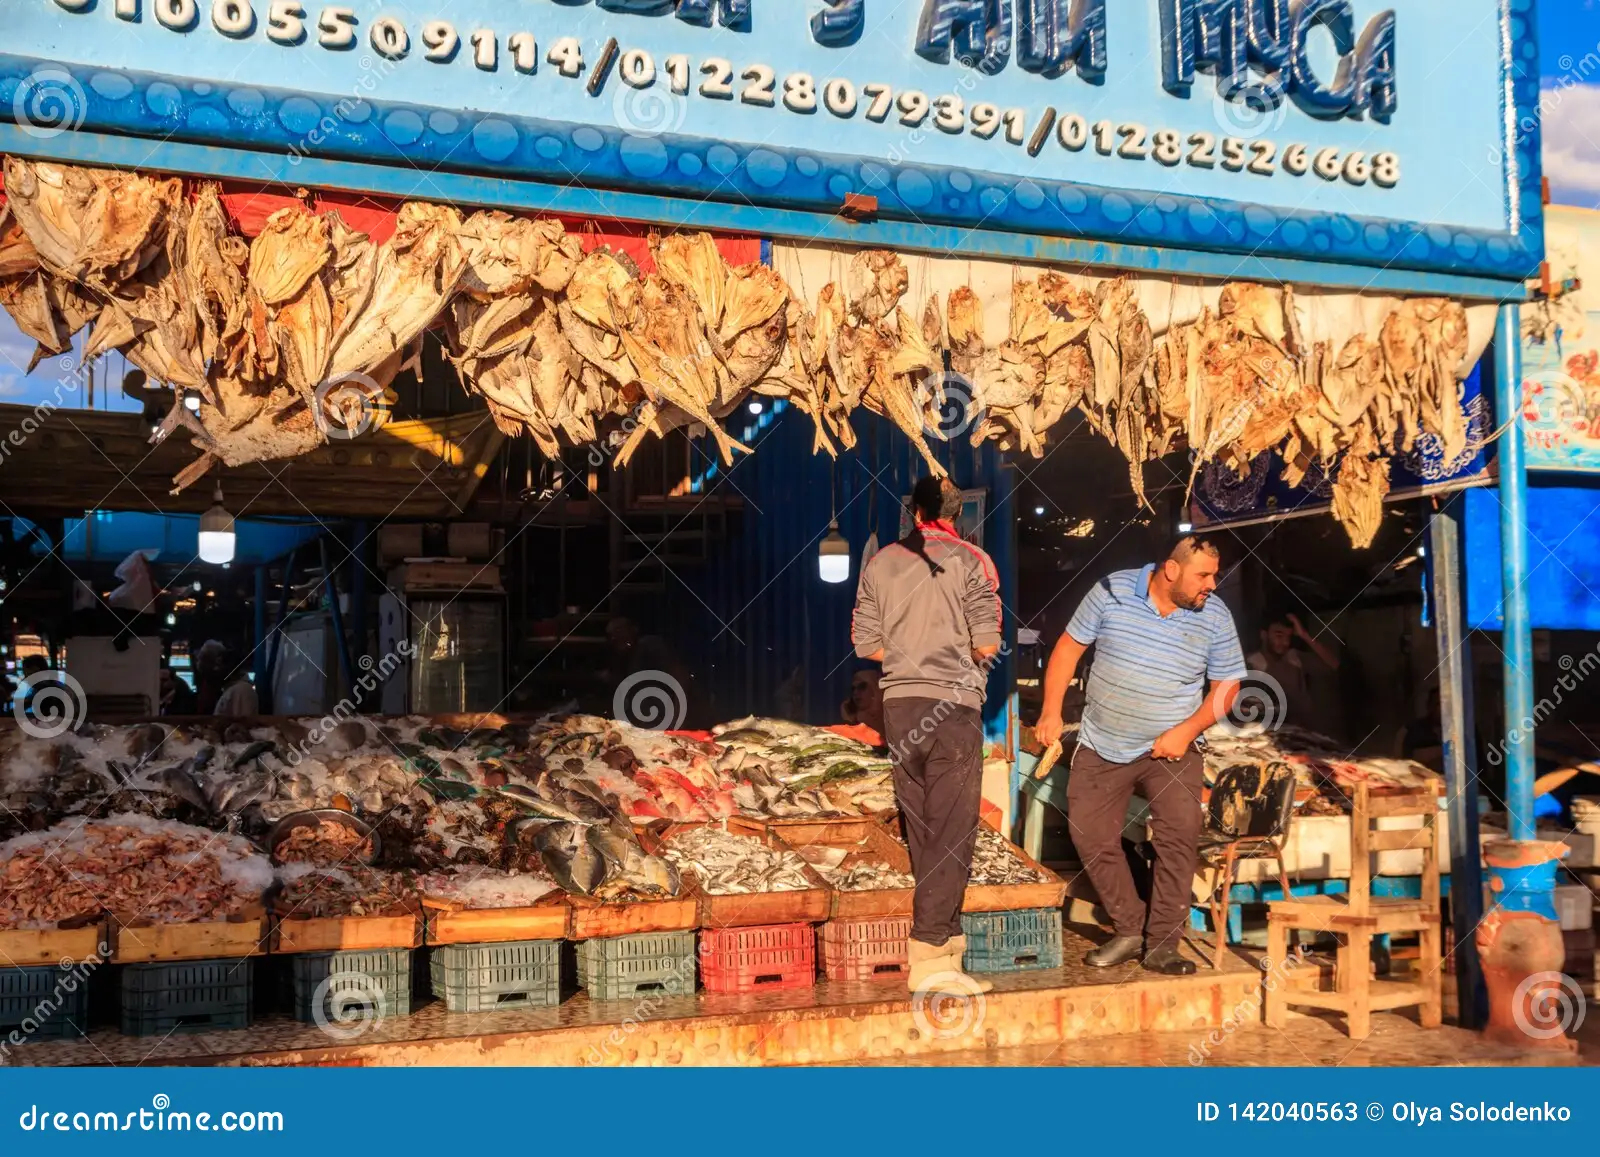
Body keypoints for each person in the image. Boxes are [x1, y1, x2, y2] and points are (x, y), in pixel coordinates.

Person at [1036, 536, 1246, 976]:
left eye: (1214, 574)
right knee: (1089, 835)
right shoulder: (1112, 591)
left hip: (1174, 750)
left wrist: (1185, 731)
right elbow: (1068, 649)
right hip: (1102, 742)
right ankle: (1129, 927)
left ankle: (1163, 944)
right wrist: (1051, 712)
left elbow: (1227, 688)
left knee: (1178, 839)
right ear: (1171, 570)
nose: (1212, 584)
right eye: (1203, 575)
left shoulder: (1215, 616)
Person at [852, 476, 1001, 997]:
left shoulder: (881, 563)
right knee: (954, 832)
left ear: (913, 511)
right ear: (956, 515)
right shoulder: (971, 561)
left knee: (925, 834)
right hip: (953, 707)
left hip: (899, 707)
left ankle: (947, 956)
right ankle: (929, 957)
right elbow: (987, 641)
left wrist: (910, 655)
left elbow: (865, 643)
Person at [1245, 612, 1340, 733]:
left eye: (1288, 637)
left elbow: (1334, 665)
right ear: (1264, 635)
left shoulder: (1294, 659)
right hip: (1266, 735)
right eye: (1279, 636)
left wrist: (1304, 635)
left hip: (1303, 733)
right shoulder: (1250, 663)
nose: (1285, 643)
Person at [839, 668, 885, 736]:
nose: (855, 692)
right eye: (853, 688)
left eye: (862, 687)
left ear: (875, 689)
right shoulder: (851, 715)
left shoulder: (889, 715)